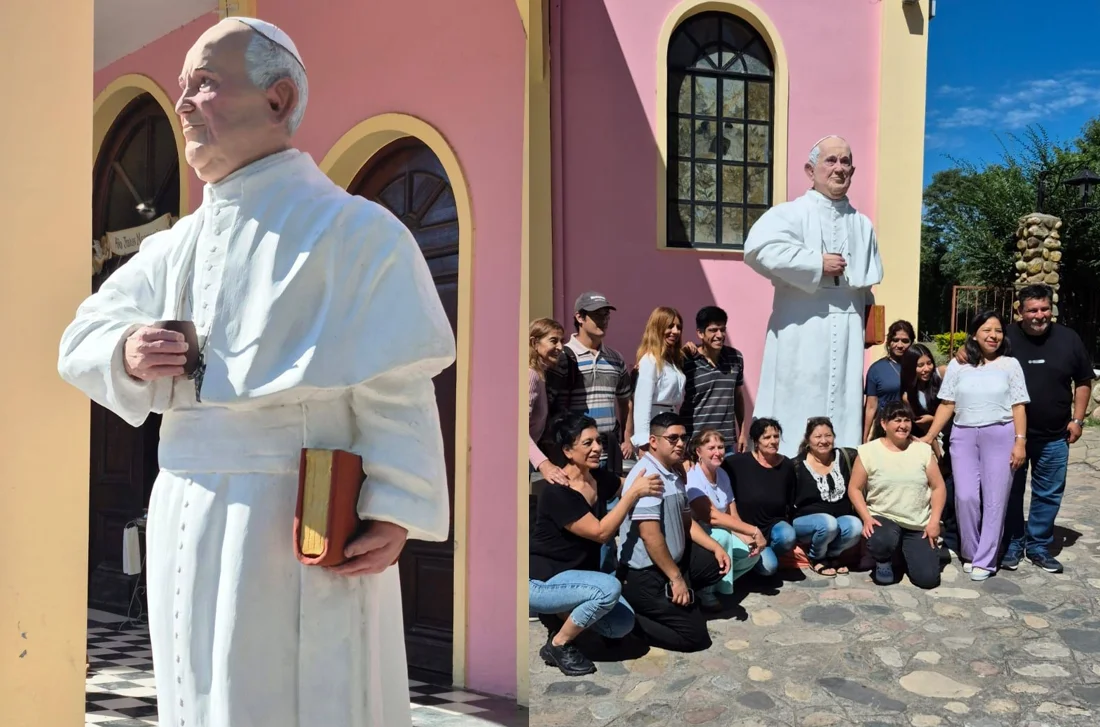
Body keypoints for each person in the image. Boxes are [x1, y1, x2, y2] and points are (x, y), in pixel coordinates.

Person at [58, 18, 454, 727]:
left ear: (277, 100)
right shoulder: (174, 245)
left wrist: (398, 503)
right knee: (197, 692)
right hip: (183, 507)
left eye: (204, 84)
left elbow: (396, 380)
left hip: (296, 511)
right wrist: (125, 350)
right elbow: (81, 336)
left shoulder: (357, 231)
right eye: (180, 87)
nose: (182, 103)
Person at [744, 135, 884, 456]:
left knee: (844, 409)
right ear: (811, 170)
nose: (839, 169)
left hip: (847, 327)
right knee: (797, 399)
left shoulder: (862, 224)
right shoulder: (790, 214)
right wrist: (814, 263)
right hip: (800, 327)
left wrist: (870, 320)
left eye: (845, 162)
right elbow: (757, 249)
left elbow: (866, 285)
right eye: (830, 161)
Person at [529, 413, 663, 677]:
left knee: (621, 624)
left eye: (598, 441)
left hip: (573, 578)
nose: (598, 448)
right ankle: (558, 644)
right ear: (568, 451)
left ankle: (563, 614)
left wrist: (656, 481)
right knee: (608, 589)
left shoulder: (597, 477)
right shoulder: (557, 492)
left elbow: (625, 486)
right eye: (587, 443)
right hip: (541, 582)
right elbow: (601, 533)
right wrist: (635, 492)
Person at [923, 312, 1029, 581]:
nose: (993, 335)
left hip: (1001, 434)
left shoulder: (1010, 365)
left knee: (995, 500)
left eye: (998, 330)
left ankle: (986, 559)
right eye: (986, 330)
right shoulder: (959, 365)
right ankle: (970, 552)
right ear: (974, 334)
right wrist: (929, 437)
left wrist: (1020, 441)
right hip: (964, 435)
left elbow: (1018, 406)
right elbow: (947, 404)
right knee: (966, 496)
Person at [617, 413, 731, 652]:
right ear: (654, 441)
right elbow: (650, 536)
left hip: (670, 563)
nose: (680, 443)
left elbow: (686, 522)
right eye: (672, 438)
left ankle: (678, 601)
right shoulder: (648, 477)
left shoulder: (674, 472)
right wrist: (676, 578)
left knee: (712, 562)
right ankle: (627, 620)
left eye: (683, 438)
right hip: (645, 573)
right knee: (696, 637)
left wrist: (716, 547)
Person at [1001, 284, 1094, 573]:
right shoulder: (1005, 337)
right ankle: (1013, 542)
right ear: (1020, 311)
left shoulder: (1069, 339)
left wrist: (1077, 420)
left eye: (1044, 309)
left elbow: (1083, 380)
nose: (1039, 315)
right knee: (1010, 491)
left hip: (1055, 434)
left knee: (1049, 492)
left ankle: (1038, 544)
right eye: (1032, 310)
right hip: (1010, 434)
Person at [849, 402, 947, 589]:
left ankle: (903, 553)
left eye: (906, 420)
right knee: (881, 541)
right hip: (884, 517)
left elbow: (938, 487)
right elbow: (854, 488)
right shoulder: (868, 451)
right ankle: (883, 560)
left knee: (927, 580)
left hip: (917, 523)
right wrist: (866, 518)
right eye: (897, 420)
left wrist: (934, 521)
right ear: (884, 424)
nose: (903, 425)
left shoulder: (922, 450)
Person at [545, 291, 633, 478]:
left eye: (606, 315)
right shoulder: (563, 358)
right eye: (597, 315)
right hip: (575, 458)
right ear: (580, 317)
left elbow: (626, 401)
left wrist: (627, 439)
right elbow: (547, 408)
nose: (604, 320)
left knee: (611, 506)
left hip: (609, 454)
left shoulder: (615, 359)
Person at [685, 429, 763, 607]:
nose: (717, 452)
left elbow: (732, 514)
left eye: (720, 447)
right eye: (711, 447)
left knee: (753, 555)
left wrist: (748, 537)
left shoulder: (723, 474)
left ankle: (716, 586)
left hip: (722, 528)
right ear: (699, 452)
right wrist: (754, 530)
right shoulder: (693, 477)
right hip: (700, 532)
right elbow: (711, 517)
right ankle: (706, 591)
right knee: (723, 537)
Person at [901, 343, 958, 557]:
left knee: (955, 489)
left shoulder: (943, 374)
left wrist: (935, 419)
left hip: (957, 435)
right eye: (919, 365)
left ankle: (954, 535)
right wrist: (938, 456)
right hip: (938, 441)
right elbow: (926, 431)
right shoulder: (909, 395)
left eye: (928, 363)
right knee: (943, 485)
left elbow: (957, 408)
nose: (926, 369)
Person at [723, 418, 797, 576]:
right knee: (770, 568)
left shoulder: (787, 465)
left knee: (788, 536)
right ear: (756, 442)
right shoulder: (737, 463)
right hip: (747, 528)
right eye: (767, 437)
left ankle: (764, 550)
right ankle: (755, 558)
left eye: (776, 436)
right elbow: (715, 470)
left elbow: (791, 499)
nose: (773, 441)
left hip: (773, 525)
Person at [792, 418, 864, 576]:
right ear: (808, 440)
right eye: (818, 437)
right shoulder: (796, 466)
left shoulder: (846, 457)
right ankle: (816, 558)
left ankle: (832, 555)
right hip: (807, 525)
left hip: (838, 522)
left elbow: (871, 453)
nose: (824, 441)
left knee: (855, 526)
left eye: (828, 436)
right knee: (828, 523)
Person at [680, 306, 748, 455]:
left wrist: (742, 432)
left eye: (722, 330)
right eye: (713, 330)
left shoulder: (736, 358)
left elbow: (737, 396)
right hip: (696, 442)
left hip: (725, 443)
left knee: (726, 479)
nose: (719, 335)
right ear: (700, 333)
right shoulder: (687, 360)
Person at [626, 307, 686, 454]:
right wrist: (643, 442)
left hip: (671, 425)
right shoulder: (650, 360)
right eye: (670, 326)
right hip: (656, 427)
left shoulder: (672, 361)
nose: (675, 331)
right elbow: (641, 403)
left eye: (678, 327)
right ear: (658, 328)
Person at [529, 318, 569, 485]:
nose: (560, 347)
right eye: (553, 341)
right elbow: (517, 430)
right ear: (534, 342)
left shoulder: (540, 375)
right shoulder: (530, 375)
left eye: (562, 341)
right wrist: (544, 464)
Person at [863, 320, 915, 442]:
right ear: (889, 342)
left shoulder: (918, 367)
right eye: (895, 340)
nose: (900, 345)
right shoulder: (877, 369)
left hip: (912, 429)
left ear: (911, 342)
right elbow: (871, 406)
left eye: (905, 341)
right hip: (885, 429)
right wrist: (864, 437)